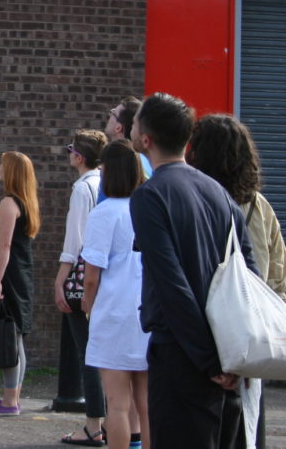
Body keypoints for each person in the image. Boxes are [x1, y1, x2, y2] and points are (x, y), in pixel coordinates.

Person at [129, 93, 256, 449]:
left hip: (183, 356)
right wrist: (231, 358)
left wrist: (208, 360)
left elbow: (171, 283)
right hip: (228, 353)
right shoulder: (219, 192)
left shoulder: (150, 196)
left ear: (146, 139)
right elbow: (249, 272)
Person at [187, 113, 286, 449]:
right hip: (249, 339)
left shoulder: (197, 203)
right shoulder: (260, 207)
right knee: (247, 426)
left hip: (205, 340)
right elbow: (278, 274)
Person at [81, 140, 150, 449]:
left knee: (117, 405)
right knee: (147, 405)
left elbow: (92, 275)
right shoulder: (149, 209)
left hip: (113, 313)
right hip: (147, 312)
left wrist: (88, 306)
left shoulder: (104, 213)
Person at [0, 151, 40, 416]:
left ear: (11, 171)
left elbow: (4, 245)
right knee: (16, 338)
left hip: (10, 277)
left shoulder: (9, 204)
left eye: (2, 166)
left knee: (9, 338)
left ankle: (9, 402)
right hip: (20, 277)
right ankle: (13, 398)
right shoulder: (26, 203)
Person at [56, 130, 107, 446]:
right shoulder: (107, 184)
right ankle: (108, 421)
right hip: (105, 276)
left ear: (80, 156)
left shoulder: (82, 189)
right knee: (103, 352)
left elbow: (74, 241)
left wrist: (60, 278)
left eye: (71, 149)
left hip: (80, 277)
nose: (68, 155)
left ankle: (93, 425)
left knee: (87, 351)